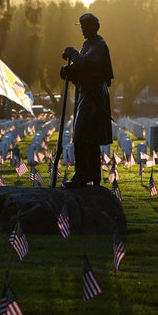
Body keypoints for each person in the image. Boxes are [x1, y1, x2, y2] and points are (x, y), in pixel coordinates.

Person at [60, 13, 113, 187]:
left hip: (95, 95)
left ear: (93, 27)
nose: (82, 30)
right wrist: (69, 72)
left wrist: (71, 52)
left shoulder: (100, 45)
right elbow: (81, 69)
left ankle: (83, 174)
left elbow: (85, 62)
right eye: (81, 27)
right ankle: (92, 173)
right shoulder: (87, 44)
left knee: (82, 134)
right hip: (85, 93)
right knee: (88, 136)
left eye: (85, 27)